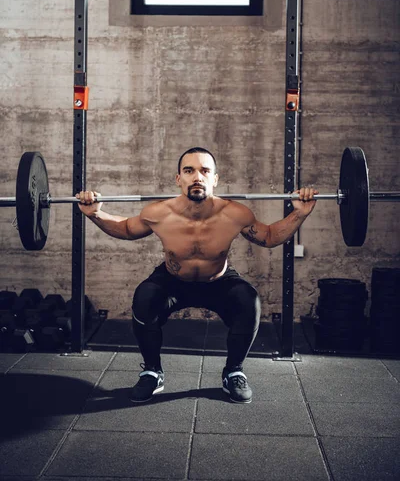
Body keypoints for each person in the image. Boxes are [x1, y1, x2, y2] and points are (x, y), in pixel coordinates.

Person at [77, 147, 317, 404]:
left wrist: (299, 213)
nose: (197, 177)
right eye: (189, 171)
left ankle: (234, 371)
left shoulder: (235, 214)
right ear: (178, 178)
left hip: (218, 281)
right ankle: (151, 372)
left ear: (215, 179)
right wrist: (96, 214)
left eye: (205, 171)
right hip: (172, 281)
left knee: (248, 300)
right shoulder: (159, 213)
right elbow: (126, 228)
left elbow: (268, 237)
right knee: (145, 296)